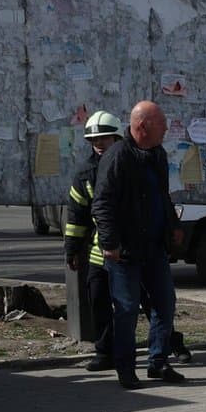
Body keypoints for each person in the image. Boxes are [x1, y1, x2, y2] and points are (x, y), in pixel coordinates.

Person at [93, 101, 184, 388]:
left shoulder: (156, 155)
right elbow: (102, 203)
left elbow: (162, 196)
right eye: (161, 123)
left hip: (154, 247)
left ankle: (158, 362)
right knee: (127, 309)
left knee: (165, 304)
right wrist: (110, 242)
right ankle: (126, 368)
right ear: (142, 126)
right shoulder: (118, 156)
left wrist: (173, 225)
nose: (166, 128)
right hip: (125, 252)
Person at [64, 111, 126, 371]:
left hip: (130, 252)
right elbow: (77, 216)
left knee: (149, 302)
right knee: (99, 302)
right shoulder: (85, 173)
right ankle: (105, 353)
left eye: (104, 139)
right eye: (94, 140)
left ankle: (170, 345)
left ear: (117, 138)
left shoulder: (130, 166)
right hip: (99, 253)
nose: (99, 144)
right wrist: (73, 249)